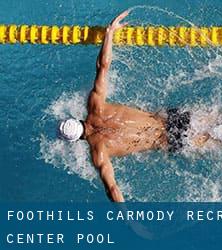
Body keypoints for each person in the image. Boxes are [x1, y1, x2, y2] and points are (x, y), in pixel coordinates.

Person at [58, 11, 210, 202]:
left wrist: (130, 222)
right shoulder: (95, 105)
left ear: (76, 140)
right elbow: (103, 66)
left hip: (171, 140)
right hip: (172, 118)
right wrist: (109, 33)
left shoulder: (99, 152)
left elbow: (112, 189)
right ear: (76, 119)